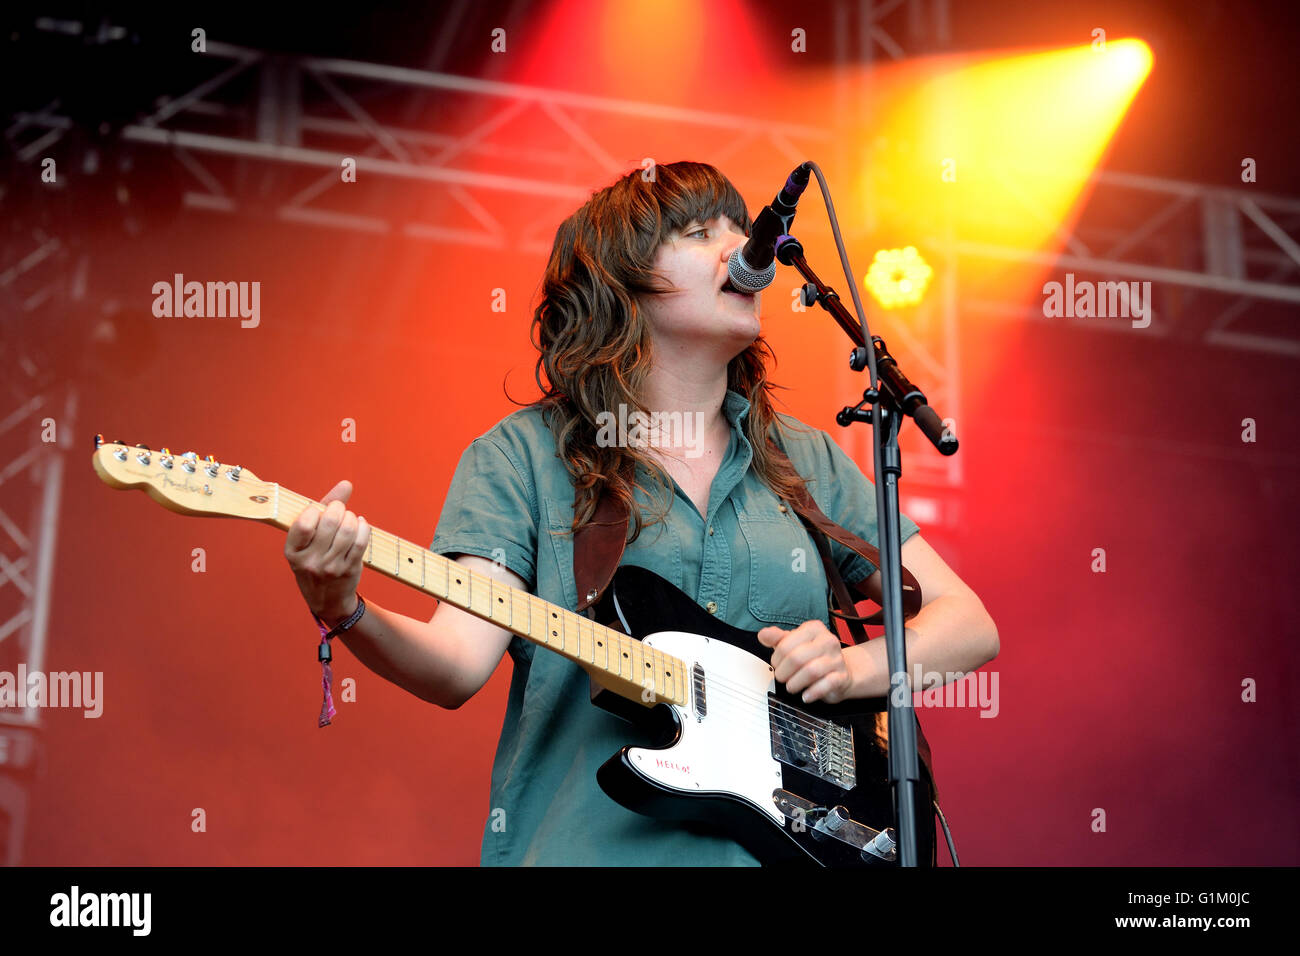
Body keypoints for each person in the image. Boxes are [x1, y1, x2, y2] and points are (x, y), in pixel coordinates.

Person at [284, 161, 999, 866]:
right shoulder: (523, 457)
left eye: (739, 227)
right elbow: (454, 666)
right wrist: (344, 606)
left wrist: (852, 668)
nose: (740, 248)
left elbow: (968, 625)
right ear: (621, 287)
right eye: (697, 232)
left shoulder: (805, 460)